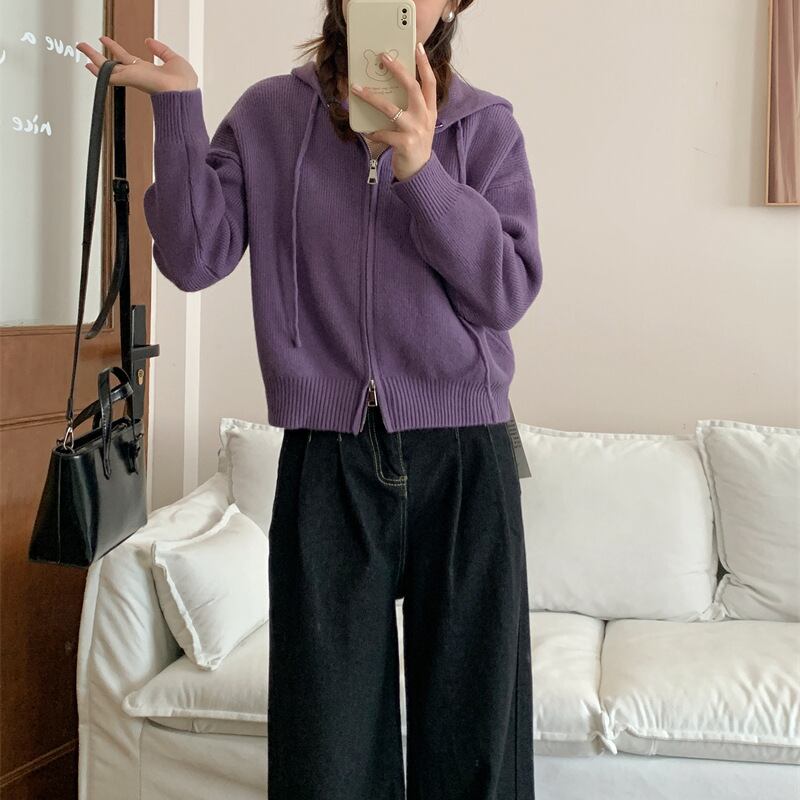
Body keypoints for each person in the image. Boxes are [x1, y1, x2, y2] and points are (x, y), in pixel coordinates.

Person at [79, 2, 542, 798]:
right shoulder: (269, 115)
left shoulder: (485, 127)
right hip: (327, 458)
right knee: (326, 751)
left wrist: (423, 169)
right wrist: (179, 109)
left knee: (478, 746)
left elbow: (506, 290)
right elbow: (192, 257)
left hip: (465, 457)